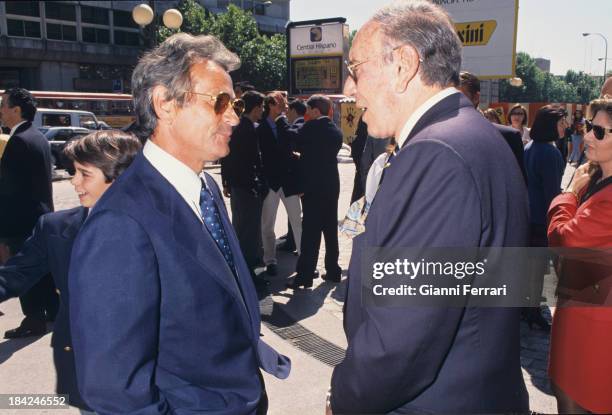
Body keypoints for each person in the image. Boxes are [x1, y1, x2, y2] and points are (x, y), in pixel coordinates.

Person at [68, 33, 290, 414]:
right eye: (220, 102)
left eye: (234, 103)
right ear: (164, 104)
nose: (234, 116)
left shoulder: (204, 187)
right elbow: (113, 389)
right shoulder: (120, 223)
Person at [329, 1, 529, 413]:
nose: (350, 90)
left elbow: (401, 340)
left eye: (356, 69)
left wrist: (346, 398)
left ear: (403, 65)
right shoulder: (479, 135)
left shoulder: (435, 152)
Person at [0, 130, 141, 411]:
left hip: (143, 372)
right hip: (82, 367)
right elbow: (13, 276)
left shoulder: (158, 228)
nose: (74, 182)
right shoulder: (53, 228)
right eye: (73, 172)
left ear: (119, 178)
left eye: (84, 174)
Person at [547, 97, 612, 413]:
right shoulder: (596, 177)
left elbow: (564, 239)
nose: (586, 136)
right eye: (589, 127)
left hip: (595, 330)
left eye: (600, 132)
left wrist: (568, 193)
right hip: (578, 313)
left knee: (578, 402)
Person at [0, 87, 57, 339]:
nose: (0, 111)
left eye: (3, 105)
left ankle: (33, 319)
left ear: (16, 110)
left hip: (20, 219)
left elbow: (8, 190)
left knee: (23, 269)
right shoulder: (37, 136)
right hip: (39, 214)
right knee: (43, 268)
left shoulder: (19, 140)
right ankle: (53, 311)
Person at [276, 94, 343, 288]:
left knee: (310, 233)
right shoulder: (335, 130)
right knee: (330, 230)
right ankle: (333, 271)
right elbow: (317, 155)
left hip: (313, 187)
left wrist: (280, 118)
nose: (306, 114)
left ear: (315, 110)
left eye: (308, 110)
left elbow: (291, 138)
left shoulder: (312, 127)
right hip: (331, 185)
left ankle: (304, 276)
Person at [523, 105, 567, 331]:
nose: (566, 127)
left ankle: (526, 309)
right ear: (551, 125)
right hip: (542, 218)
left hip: (528, 215)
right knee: (538, 270)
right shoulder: (551, 153)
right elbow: (552, 193)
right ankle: (533, 312)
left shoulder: (530, 146)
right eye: (561, 123)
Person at [220, 90, 269, 287]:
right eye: (262, 107)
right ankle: (250, 275)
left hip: (238, 186)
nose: (262, 111)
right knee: (250, 233)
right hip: (249, 187)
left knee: (240, 228)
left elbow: (226, 158)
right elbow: (255, 161)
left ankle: (240, 270)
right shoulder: (249, 129)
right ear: (256, 108)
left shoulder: (235, 127)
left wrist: (227, 182)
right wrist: (260, 185)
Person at [257, 94, 302, 276]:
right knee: (267, 225)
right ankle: (270, 260)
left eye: (285, 103)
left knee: (297, 221)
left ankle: (304, 259)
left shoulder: (287, 125)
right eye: (279, 103)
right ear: (270, 105)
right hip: (270, 183)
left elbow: (292, 145)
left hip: (288, 182)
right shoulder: (260, 128)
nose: (284, 105)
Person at [458, 71, 527, 183]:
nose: (452, 103)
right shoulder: (434, 138)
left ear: (476, 98)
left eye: (459, 97)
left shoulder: (508, 138)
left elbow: (519, 188)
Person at [277, 98, 308, 254]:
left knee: (298, 214)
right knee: (295, 213)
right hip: (298, 178)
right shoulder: (298, 124)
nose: (286, 113)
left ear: (295, 111)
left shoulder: (300, 124)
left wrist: (279, 119)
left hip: (300, 179)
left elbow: (291, 137)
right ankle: (292, 241)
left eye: (288, 110)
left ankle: (297, 244)